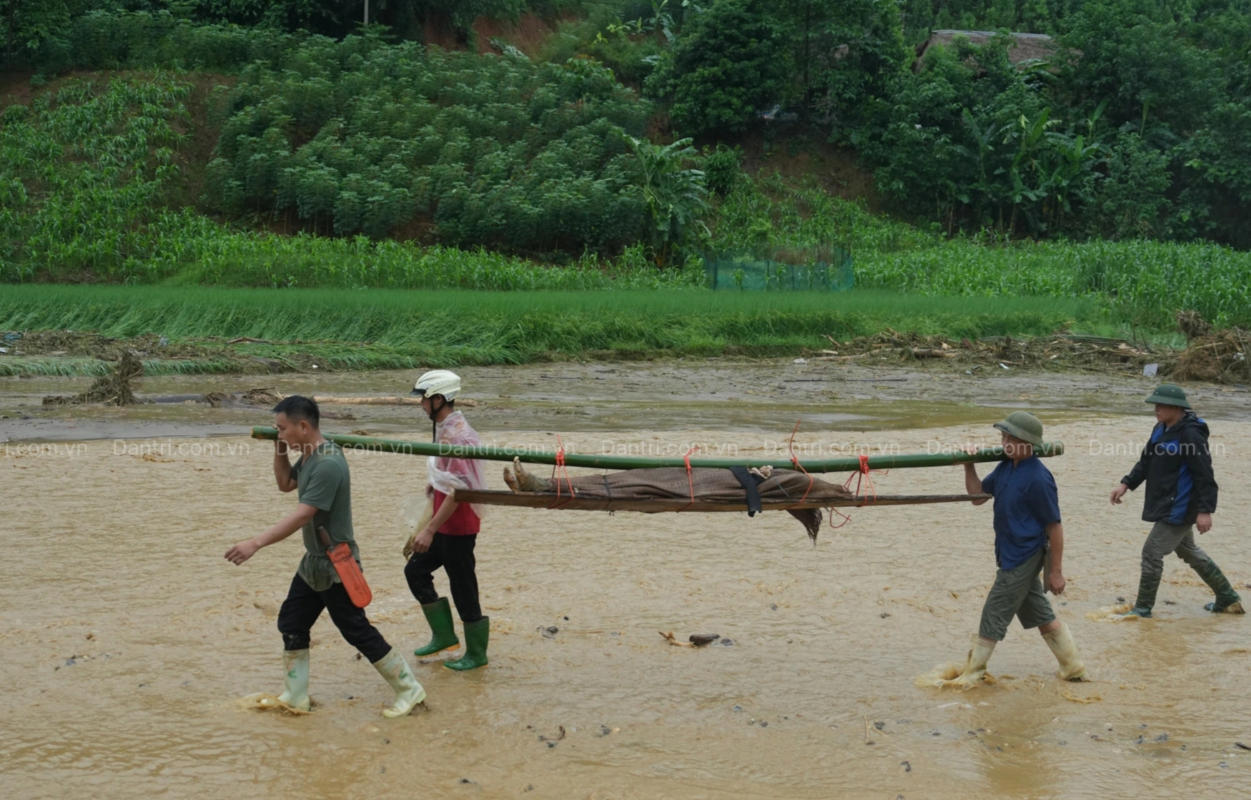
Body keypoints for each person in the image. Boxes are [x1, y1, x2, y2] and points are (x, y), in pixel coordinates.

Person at [225, 396, 426, 717]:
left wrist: (256, 543)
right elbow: (284, 484)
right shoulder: (307, 456)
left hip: (336, 563)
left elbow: (303, 515)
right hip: (313, 564)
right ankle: (295, 695)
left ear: (303, 427)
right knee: (292, 622)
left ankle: (409, 689)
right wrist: (279, 447)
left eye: (283, 429)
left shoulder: (328, 463)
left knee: (356, 631)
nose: (280, 434)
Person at [938, 411, 1087, 687]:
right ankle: (1072, 666)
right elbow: (977, 498)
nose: (1005, 443)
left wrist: (1056, 572)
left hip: (1023, 554)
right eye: (1003, 437)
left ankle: (972, 674)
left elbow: (1055, 527)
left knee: (993, 612)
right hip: (1008, 550)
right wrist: (969, 465)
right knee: (1040, 613)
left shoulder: (1038, 479)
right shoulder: (1006, 467)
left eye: (1011, 438)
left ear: (1028, 443)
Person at [1110, 384, 1243, 617]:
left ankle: (1142, 609)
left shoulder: (1190, 434)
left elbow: (1204, 474)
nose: (1156, 408)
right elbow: (1146, 462)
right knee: (1188, 551)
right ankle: (1228, 597)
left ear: (1177, 407)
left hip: (1180, 506)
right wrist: (1126, 484)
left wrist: (1205, 510)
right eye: (1155, 404)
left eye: (1161, 405)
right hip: (1165, 502)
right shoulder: (1160, 428)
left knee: (1151, 552)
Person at [404, 370, 491, 670]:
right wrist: (434, 484)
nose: (422, 405)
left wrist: (428, 530)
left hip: (457, 526)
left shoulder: (459, 436)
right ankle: (444, 635)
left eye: (425, 399)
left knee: (463, 586)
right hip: (444, 522)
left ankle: (477, 655)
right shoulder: (445, 429)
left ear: (439, 399)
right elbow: (447, 478)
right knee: (415, 571)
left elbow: (459, 491)